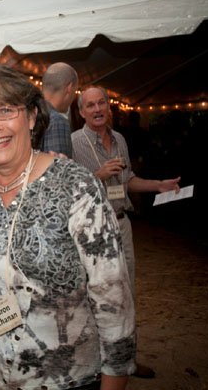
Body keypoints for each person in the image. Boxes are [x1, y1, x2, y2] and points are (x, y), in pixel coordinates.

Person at [0, 64, 136, 390]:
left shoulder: (75, 186)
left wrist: (115, 380)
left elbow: (115, 302)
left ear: (30, 116)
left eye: (5, 110)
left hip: (69, 380)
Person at [71, 86, 181, 379]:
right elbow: (70, 190)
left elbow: (128, 179)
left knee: (127, 292)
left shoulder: (119, 138)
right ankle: (95, 365)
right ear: (81, 111)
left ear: (109, 106)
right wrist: (99, 175)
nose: (97, 109)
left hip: (122, 223)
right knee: (97, 294)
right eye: (90, 105)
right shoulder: (75, 143)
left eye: (101, 103)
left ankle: (126, 361)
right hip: (94, 230)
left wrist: (158, 185)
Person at [40, 62, 78, 157]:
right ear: (69, 88)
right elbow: (59, 170)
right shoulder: (57, 121)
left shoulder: (27, 111)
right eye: (75, 91)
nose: (73, 97)